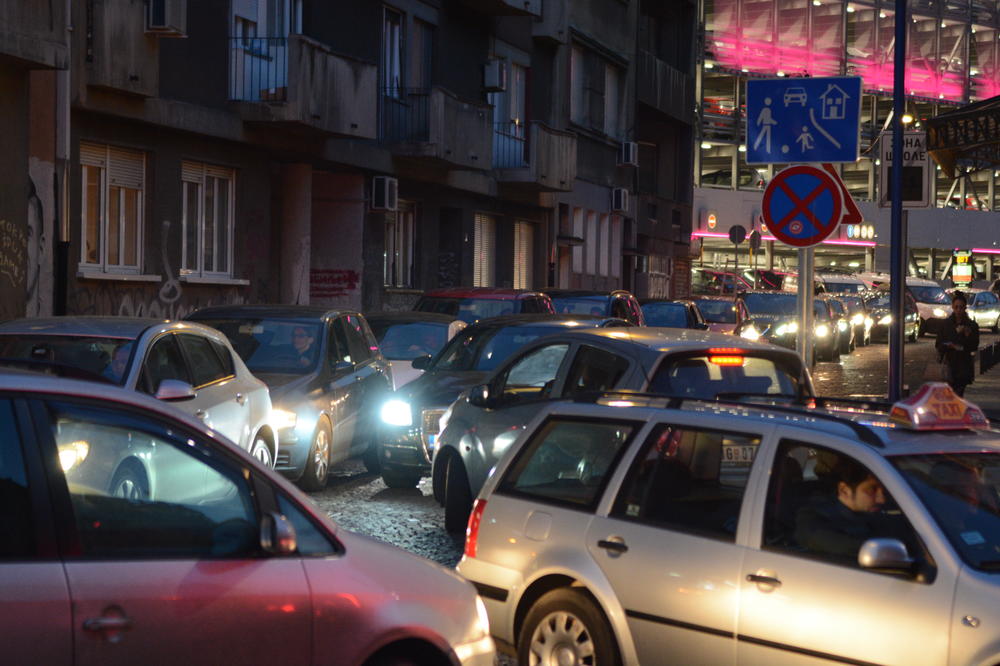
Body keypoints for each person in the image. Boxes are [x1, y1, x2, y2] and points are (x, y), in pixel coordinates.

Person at [795, 457, 901, 563]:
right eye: (872, 490)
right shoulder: (815, 521)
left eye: (884, 490)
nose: (882, 499)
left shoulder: (879, 514)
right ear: (844, 490)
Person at [936, 291, 980, 397]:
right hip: (948, 363)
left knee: (959, 394)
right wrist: (948, 345)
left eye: (961, 307)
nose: (959, 310)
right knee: (949, 395)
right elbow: (939, 344)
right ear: (952, 307)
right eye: (956, 307)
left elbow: (974, 346)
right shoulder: (946, 324)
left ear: (965, 308)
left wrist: (967, 335)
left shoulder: (971, 325)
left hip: (963, 365)